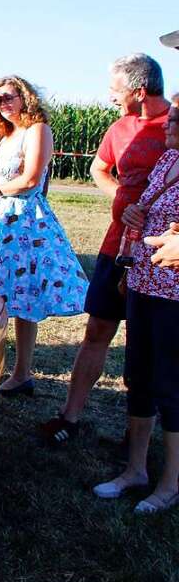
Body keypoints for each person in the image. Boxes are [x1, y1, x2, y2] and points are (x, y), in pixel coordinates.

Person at [41, 54, 170, 444]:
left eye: (115, 90)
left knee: (146, 346)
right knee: (97, 329)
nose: (110, 96)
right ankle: (70, 417)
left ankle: (139, 437)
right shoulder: (119, 128)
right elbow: (99, 167)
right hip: (116, 246)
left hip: (160, 256)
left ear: (139, 91)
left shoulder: (174, 127)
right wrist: (121, 198)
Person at [0, 75, 87, 395]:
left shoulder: (37, 130)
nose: (4, 105)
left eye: (10, 98)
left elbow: (30, 179)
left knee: (24, 296)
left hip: (25, 221)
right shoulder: (6, 134)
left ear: (25, 98)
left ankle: (22, 373)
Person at [92, 97, 179, 513]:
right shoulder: (167, 161)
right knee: (138, 376)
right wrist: (132, 212)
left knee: (172, 387)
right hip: (144, 282)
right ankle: (136, 470)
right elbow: (145, 207)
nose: (168, 123)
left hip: (175, 295)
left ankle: (170, 483)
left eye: (177, 119)